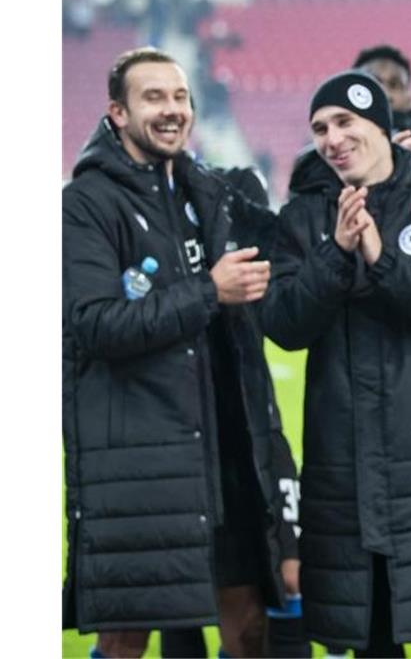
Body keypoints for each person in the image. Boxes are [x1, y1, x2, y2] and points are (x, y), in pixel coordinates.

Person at [62, 47, 295, 658]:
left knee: (247, 627)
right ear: (117, 112)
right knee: (126, 640)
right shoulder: (86, 204)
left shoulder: (207, 193)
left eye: (180, 98)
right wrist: (208, 291)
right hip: (144, 463)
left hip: (225, 455)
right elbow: (92, 325)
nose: (172, 111)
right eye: (153, 98)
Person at [260, 70, 411, 656]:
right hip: (344, 470)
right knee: (370, 637)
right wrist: (338, 254)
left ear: (383, 128)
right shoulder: (302, 219)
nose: (332, 138)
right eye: (320, 128)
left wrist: (382, 257)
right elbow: (285, 325)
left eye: (345, 122)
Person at [159, 165, 310, 659]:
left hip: (250, 450)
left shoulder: (251, 289)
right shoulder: (171, 268)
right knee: (173, 615)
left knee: (267, 598)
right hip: (176, 451)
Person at [353, 44, 411, 151]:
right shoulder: (335, 132)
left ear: (409, 97)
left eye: (395, 85)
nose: (385, 94)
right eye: (374, 82)